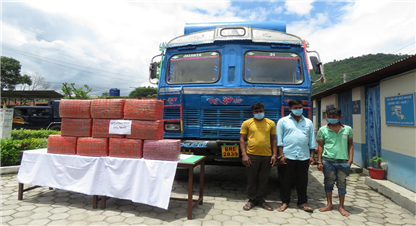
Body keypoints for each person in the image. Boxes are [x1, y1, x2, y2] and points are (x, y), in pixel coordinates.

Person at [276, 99, 316, 212]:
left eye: (300, 107)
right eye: (295, 108)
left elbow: (312, 141)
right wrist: (281, 155)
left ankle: (303, 202)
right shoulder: (283, 121)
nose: (298, 110)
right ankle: (284, 202)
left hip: (304, 156)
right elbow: (280, 140)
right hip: (288, 155)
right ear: (290, 109)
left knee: (302, 181)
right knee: (286, 181)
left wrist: (312, 156)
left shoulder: (308, 122)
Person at [316, 107, 354, 216]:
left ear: (340, 117)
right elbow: (320, 146)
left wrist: (350, 160)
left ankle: (341, 206)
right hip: (328, 161)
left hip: (343, 161)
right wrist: (319, 162)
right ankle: (329, 204)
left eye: (334, 117)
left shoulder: (347, 129)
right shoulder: (323, 130)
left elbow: (350, 145)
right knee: (328, 182)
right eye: (329, 117)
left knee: (342, 183)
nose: (331, 119)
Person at [240, 102, 278, 211]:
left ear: (264, 111)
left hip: (267, 155)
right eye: (256, 112)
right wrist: (244, 155)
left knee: (264, 179)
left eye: (260, 111)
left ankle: (261, 200)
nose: (259, 113)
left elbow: (273, 139)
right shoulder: (247, 123)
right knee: (251, 179)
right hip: (251, 155)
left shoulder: (270, 123)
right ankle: (251, 200)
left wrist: (274, 155)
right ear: (252, 112)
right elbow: (242, 139)